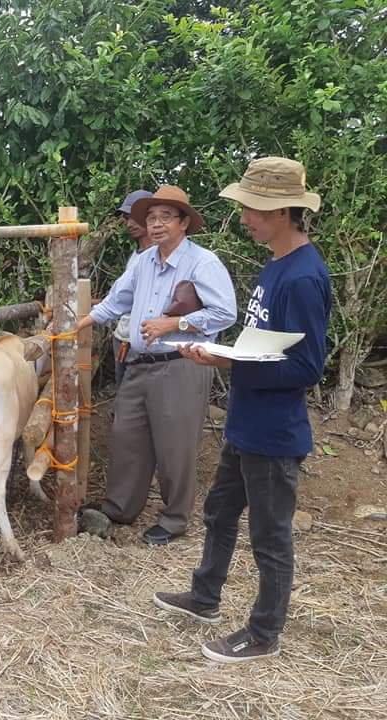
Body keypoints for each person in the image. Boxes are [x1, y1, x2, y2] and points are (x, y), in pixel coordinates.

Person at [154, 157, 331, 662]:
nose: (245, 217)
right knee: (219, 512)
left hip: (274, 434)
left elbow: (306, 368)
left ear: (284, 211)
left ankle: (263, 634)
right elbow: (269, 344)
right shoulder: (276, 266)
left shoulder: (302, 278)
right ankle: (205, 598)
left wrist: (230, 364)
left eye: (253, 208)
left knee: (270, 539)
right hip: (246, 424)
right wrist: (225, 353)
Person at [76, 185, 237, 545]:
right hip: (139, 362)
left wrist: (175, 323)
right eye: (151, 217)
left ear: (183, 223)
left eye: (166, 217)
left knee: (175, 444)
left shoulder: (202, 262)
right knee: (127, 436)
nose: (157, 224)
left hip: (181, 362)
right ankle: (120, 507)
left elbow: (226, 313)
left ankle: (175, 517)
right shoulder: (143, 262)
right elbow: (116, 301)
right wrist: (78, 324)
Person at [111, 189, 153, 386]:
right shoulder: (135, 257)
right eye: (127, 218)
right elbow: (125, 297)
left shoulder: (162, 257)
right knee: (125, 399)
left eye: (135, 217)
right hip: (123, 340)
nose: (129, 223)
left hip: (145, 344)